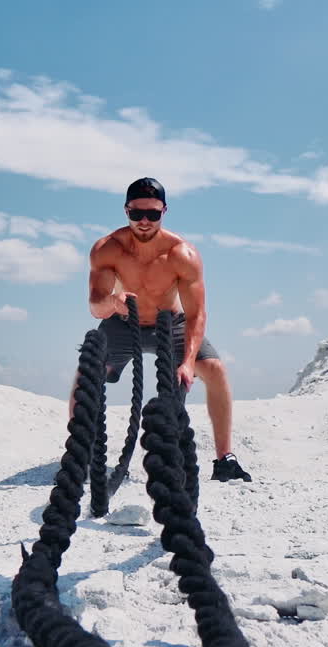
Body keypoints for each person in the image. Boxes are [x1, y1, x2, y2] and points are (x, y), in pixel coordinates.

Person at [74, 176, 252, 482]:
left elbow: (197, 314)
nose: (144, 221)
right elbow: (95, 307)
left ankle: (226, 459)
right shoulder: (107, 249)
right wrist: (113, 303)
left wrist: (187, 362)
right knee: (86, 375)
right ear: (126, 210)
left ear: (164, 211)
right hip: (121, 322)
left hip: (170, 324)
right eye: (137, 213)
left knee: (214, 369)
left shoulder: (182, 254)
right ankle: (81, 454)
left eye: (153, 214)